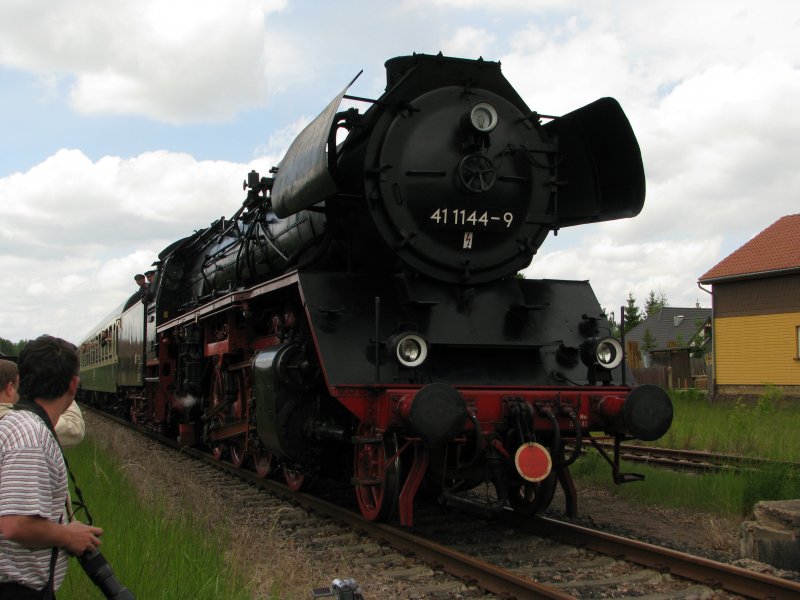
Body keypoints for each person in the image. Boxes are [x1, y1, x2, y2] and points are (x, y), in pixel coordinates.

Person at [0, 336, 103, 598]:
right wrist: (68, 536)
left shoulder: (21, 426)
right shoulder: (29, 435)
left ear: (21, 380)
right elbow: (15, 524)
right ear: (73, 384)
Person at [0, 359, 85, 449]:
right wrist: (63, 389)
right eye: (17, 387)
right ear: (10, 388)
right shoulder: (21, 425)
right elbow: (74, 428)